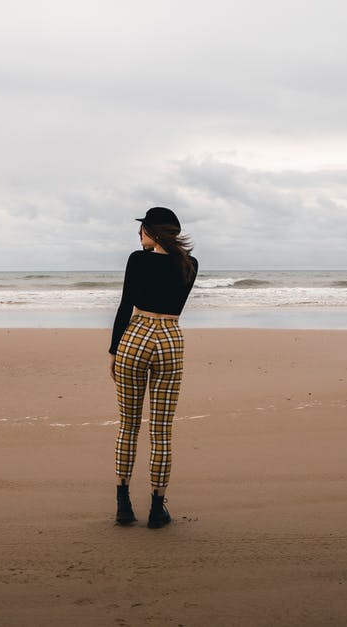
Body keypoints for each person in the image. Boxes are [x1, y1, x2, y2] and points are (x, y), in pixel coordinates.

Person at [108, 207, 198, 528]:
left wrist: (113, 350)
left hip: (136, 336)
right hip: (170, 339)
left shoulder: (137, 259)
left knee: (128, 425)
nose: (138, 234)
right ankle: (157, 509)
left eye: (142, 228)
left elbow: (125, 304)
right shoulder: (190, 264)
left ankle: (123, 503)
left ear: (153, 231)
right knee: (162, 430)